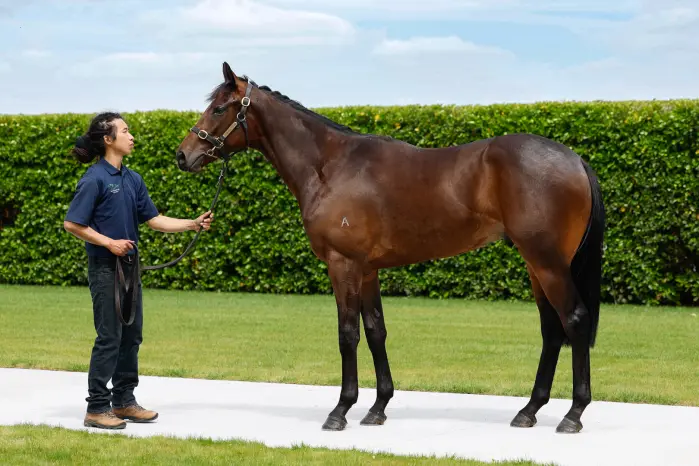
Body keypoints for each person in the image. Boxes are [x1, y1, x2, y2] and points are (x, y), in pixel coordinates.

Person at [63, 112, 213, 430]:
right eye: (125, 131)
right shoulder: (94, 179)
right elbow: (73, 224)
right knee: (109, 337)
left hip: (130, 269)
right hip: (105, 269)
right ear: (108, 139)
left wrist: (193, 223)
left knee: (131, 336)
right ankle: (97, 408)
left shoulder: (133, 179)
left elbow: (154, 220)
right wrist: (109, 243)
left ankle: (124, 402)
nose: (131, 137)